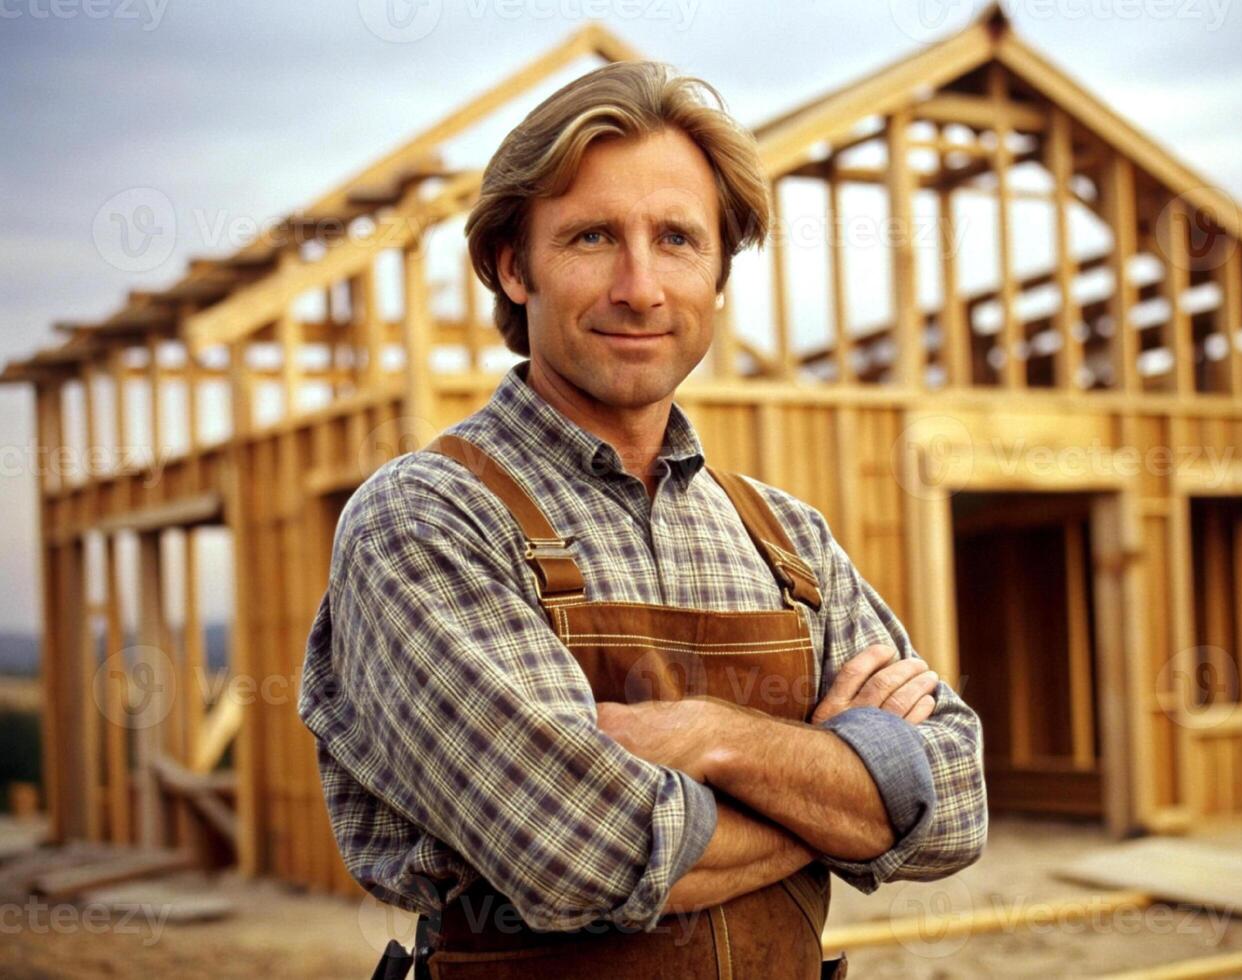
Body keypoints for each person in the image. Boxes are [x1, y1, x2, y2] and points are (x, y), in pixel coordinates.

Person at [298, 58, 987, 980]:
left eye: (677, 240)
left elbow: (956, 802)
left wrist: (719, 737)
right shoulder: (426, 519)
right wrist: (841, 788)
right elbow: (577, 851)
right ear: (512, 266)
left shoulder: (785, 538)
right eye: (591, 238)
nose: (641, 286)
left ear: (719, 273)